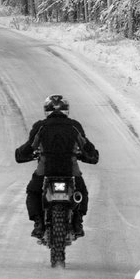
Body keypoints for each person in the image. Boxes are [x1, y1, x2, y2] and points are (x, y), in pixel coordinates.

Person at [14, 94, 99, 239]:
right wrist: (91, 155)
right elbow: (85, 146)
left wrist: (21, 154)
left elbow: (30, 146)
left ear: (46, 110)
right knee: (81, 192)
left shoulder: (40, 126)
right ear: (66, 110)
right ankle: (77, 222)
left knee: (33, 192)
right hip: (70, 170)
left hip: (45, 170)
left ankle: (39, 223)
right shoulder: (74, 126)